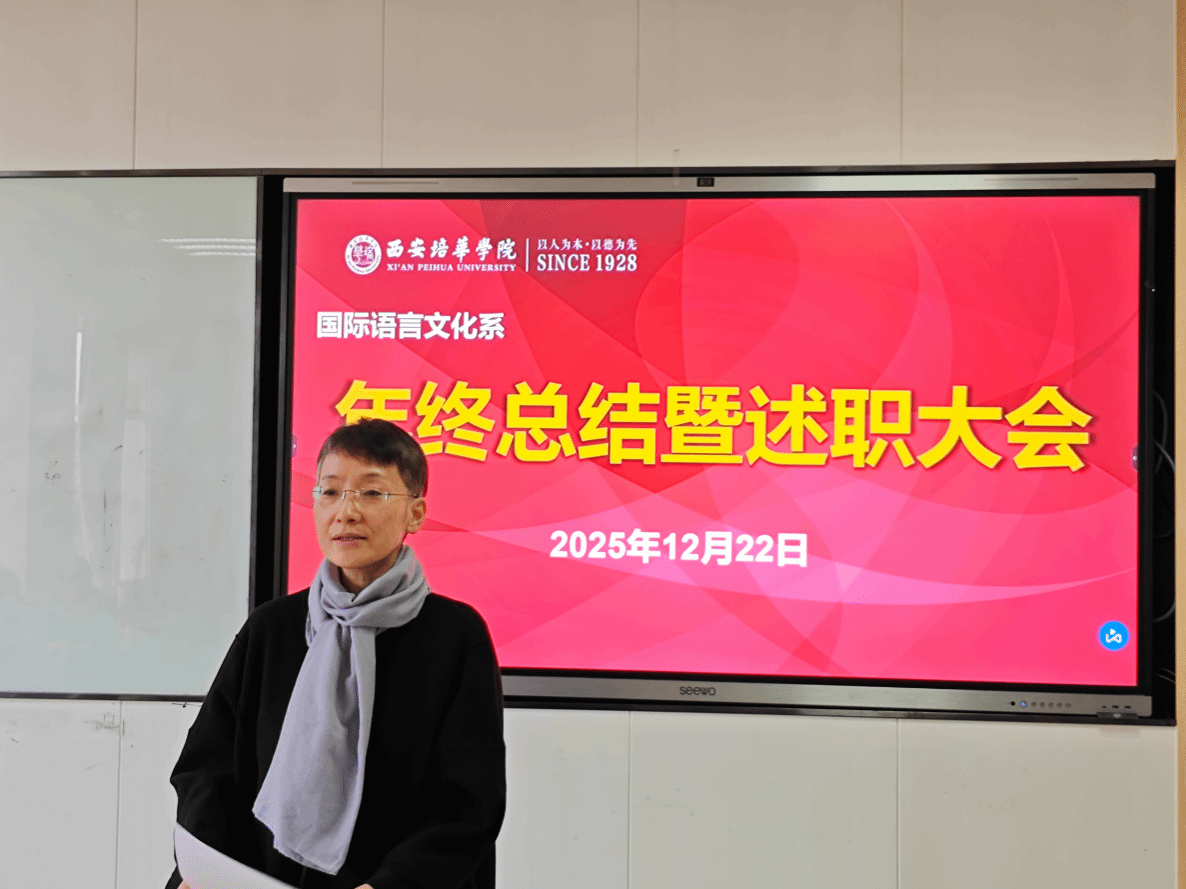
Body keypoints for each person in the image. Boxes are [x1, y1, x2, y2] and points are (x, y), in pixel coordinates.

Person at [166, 419, 506, 889]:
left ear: (415, 513)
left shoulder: (454, 635)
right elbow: (207, 768)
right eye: (329, 492)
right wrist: (206, 869)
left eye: (372, 493)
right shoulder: (272, 628)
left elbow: (470, 803)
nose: (346, 511)